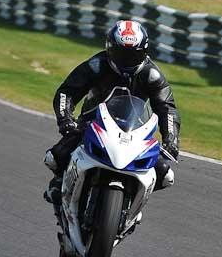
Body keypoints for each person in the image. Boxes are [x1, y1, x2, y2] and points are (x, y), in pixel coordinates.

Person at [44, 19, 181, 207]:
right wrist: (65, 119)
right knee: (55, 158)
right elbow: (67, 92)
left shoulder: (151, 75)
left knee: (166, 175)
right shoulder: (96, 65)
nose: (126, 60)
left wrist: (171, 139)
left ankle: (133, 203)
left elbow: (167, 108)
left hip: (134, 131)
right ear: (110, 49)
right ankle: (60, 183)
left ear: (144, 52)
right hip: (92, 124)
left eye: (133, 55)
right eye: (121, 54)